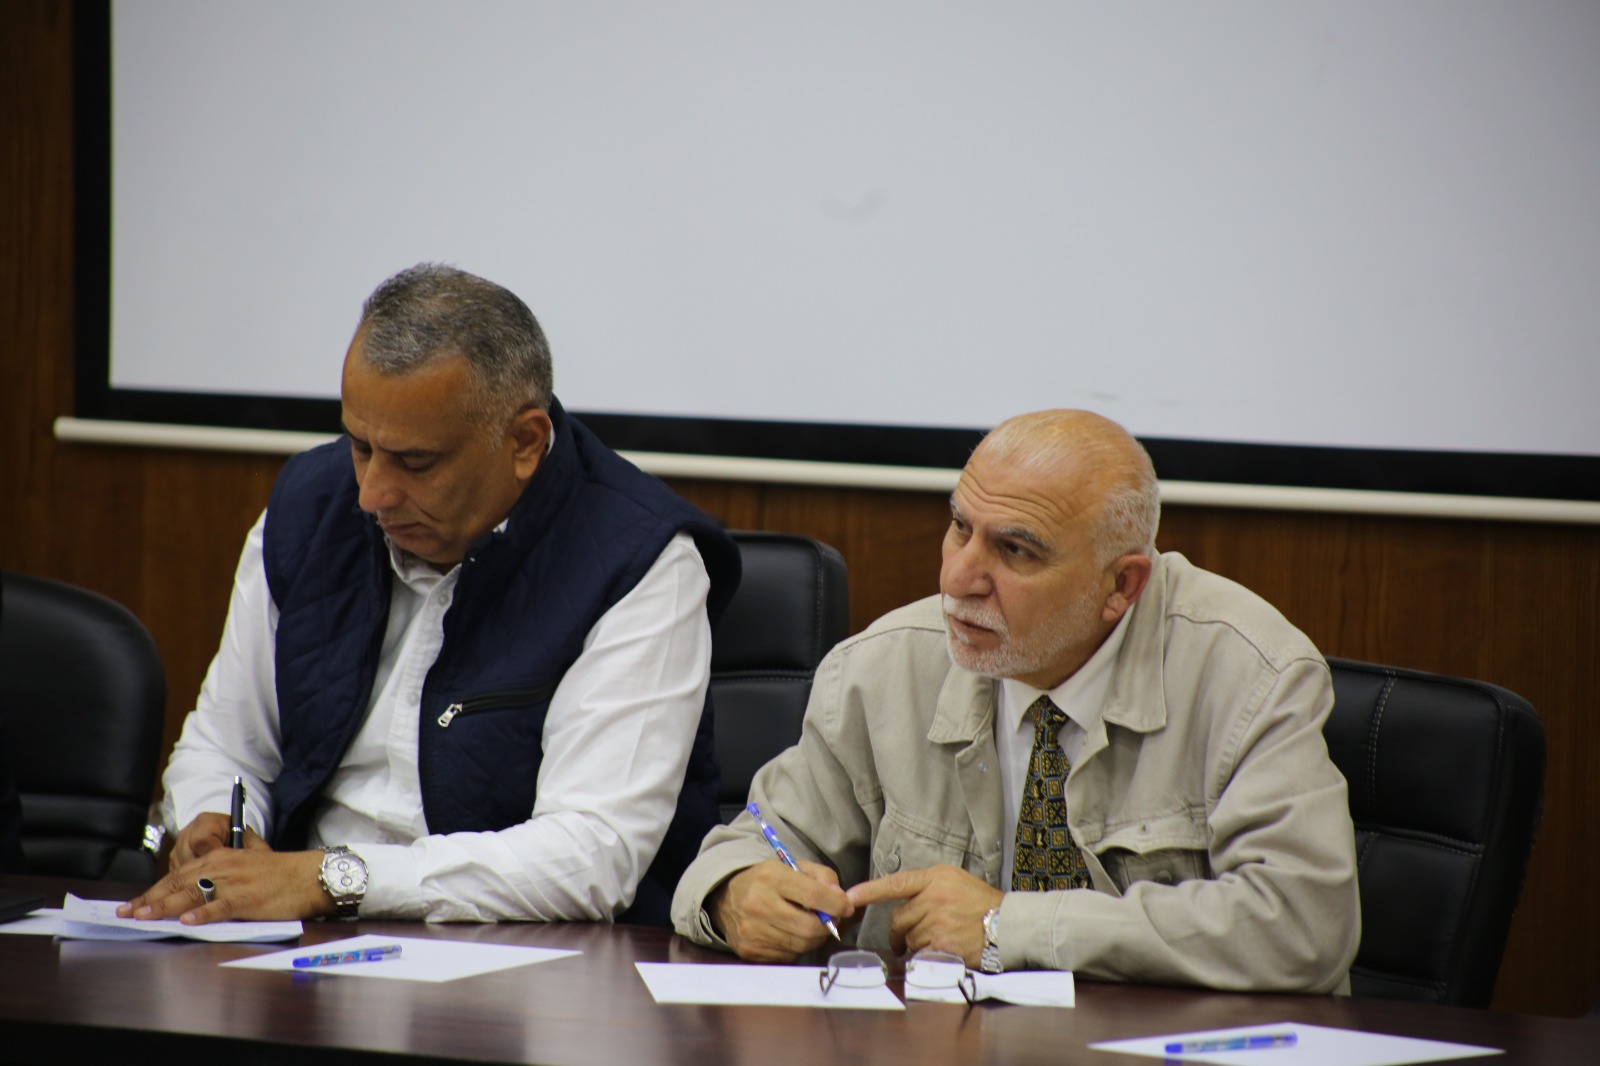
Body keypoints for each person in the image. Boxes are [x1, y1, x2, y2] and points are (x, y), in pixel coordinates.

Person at [121, 264, 740, 927]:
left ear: (524, 442)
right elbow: (226, 743)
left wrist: (333, 878)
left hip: (525, 961)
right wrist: (214, 823)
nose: (372, 495)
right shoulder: (310, 506)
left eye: (415, 463)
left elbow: (589, 856)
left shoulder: (638, 560)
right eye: (360, 446)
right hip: (296, 936)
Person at [672, 409, 1359, 993]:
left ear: (1121, 585)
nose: (959, 577)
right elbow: (754, 843)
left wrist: (1010, 927)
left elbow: (1302, 926)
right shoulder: (883, 667)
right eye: (959, 527)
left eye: (1016, 550)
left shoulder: (1249, 676)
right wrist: (735, 893)